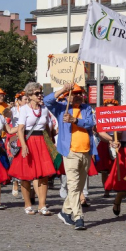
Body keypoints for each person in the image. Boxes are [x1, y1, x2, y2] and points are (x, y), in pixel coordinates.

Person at [45, 83, 95, 231]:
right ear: (68, 96)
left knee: (78, 186)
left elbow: (91, 123)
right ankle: (78, 217)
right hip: (70, 152)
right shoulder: (61, 108)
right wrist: (63, 90)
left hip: (86, 151)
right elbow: (47, 101)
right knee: (73, 185)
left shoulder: (86, 109)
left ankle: (65, 211)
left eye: (80, 94)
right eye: (75, 93)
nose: (78, 96)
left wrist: (75, 120)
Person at [8, 82, 56, 216]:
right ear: (29, 95)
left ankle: (42, 205)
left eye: (41, 93)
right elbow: (20, 129)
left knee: (44, 175)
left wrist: (51, 143)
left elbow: (47, 127)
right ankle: (28, 204)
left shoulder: (44, 109)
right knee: (25, 176)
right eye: (37, 93)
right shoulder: (24, 109)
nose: (40, 95)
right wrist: (23, 145)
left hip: (41, 142)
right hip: (28, 141)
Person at [95, 99, 118, 198]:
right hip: (105, 144)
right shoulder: (101, 118)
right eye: (108, 108)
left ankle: (118, 188)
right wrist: (110, 140)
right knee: (104, 170)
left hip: (117, 144)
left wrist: (116, 140)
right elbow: (100, 133)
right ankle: (106, 189)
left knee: (117, 168)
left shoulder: (119, 118)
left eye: (112, 107)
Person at [9, 92, 28, 197]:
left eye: (27, 99)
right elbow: (5, 113)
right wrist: (9, 107)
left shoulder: (30, 109)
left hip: (27, 136)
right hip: (16, 137)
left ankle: (25, 183)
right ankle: (15, 182)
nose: (27, 102)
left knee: (26, 161)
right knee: (15, 161)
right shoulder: (14, 110)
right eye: (25, 99)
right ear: (19, 101)